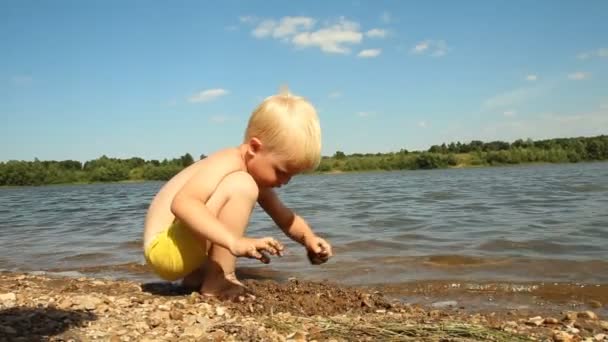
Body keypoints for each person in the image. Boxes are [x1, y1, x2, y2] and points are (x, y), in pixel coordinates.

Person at [142, 88, 333, 297]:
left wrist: (309, 239)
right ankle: (220, 279)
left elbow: (284, 217)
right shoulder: (229, 161)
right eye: (281, 171)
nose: (285, 181)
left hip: (179, 249)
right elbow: (183, 203)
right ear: (254, 148)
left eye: (292, 176)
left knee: (241, 187)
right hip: (164, 249)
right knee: (242, 185)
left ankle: (198, 275)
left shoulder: (252, 172)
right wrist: (234, 241)